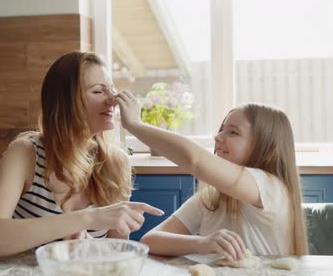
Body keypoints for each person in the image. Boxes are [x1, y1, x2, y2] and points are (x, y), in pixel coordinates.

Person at [0, 52, 163, 257]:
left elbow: (114, 257)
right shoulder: (25, 153)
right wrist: (87, 218)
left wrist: (88, 245)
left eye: (113, 90)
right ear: (65, 101)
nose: (113, 100)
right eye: (98, 91)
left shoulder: (117, 162)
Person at [116, 91, 309, 261]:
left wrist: (135, 125)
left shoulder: (271, 187)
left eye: (233, 133)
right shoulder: (211, 198)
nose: (218, 137)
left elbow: (196, 161)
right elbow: (150, 240)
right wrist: (201, 243)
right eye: (222, 129)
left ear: (267, 150)